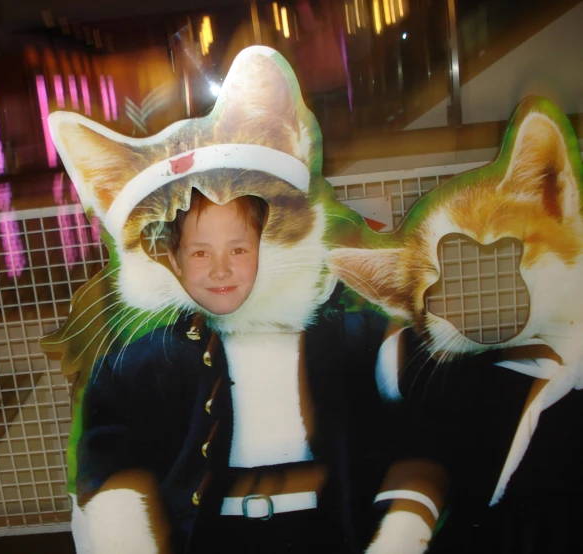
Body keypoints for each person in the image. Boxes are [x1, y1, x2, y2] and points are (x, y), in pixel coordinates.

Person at [75, 189, 453, 554]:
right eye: (200, 252)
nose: (220, 270)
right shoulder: (144, 363)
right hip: (211, 538)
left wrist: (403, 531)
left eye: (238, 249)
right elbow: (110, 456)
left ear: (268, 247)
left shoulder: (351, 338)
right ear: (174, 260)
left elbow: (428, 418)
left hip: (327, 535)